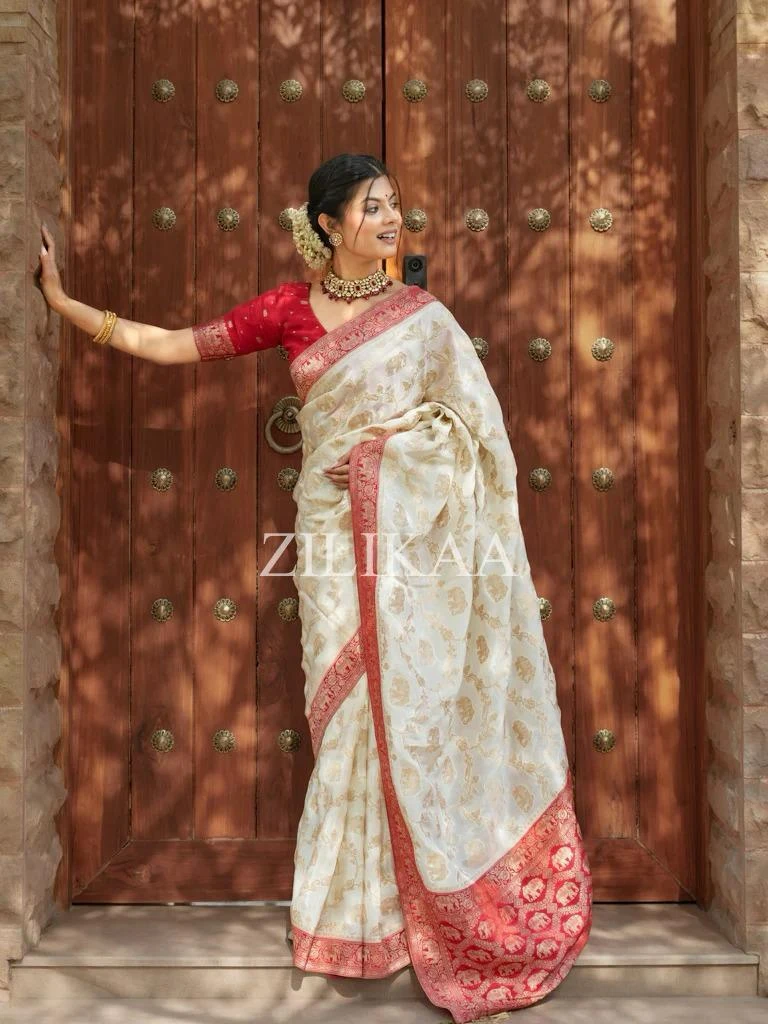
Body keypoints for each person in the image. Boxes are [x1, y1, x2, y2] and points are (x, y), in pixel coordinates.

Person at [37, 153, 592, 1024]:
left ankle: (427, 911)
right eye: (373, 208)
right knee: (346, 711)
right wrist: (69, 308)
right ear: (328, 225)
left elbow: (471, 431)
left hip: (413, 542)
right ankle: (354, 916)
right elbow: (180, 344)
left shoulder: (425, 318)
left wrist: (389, 456)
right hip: (333, 537)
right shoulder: (289, 312)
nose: (391, 219)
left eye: (395, 205)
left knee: (407, 705)